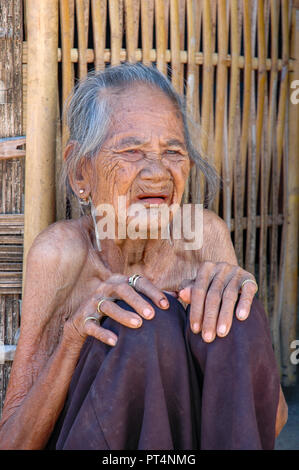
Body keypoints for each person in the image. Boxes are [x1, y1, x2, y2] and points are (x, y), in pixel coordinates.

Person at [0, 63, 287, 450]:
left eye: (173, 151)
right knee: (143, 326)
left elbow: (271, 420)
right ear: (81, 172)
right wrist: (74, 337)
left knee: (232, 310)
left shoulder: (204, 236)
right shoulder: (61, 254)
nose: (157, 172)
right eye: (132, 150)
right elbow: (13, 442)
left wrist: (244, 322)